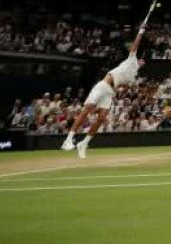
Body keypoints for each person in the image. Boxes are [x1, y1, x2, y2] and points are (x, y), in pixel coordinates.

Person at [60, 24, 147, 158]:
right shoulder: (132, 59)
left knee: (101, 118)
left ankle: (84, 143)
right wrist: (141, 30)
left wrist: (124, 88)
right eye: (142, 60)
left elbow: (122, 87)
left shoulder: (133, 76)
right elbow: (136, 43)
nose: (142, 62)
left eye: (144, 62)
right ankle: (68, 139)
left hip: (110, 93)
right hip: (103, 85)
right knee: (87, 109)